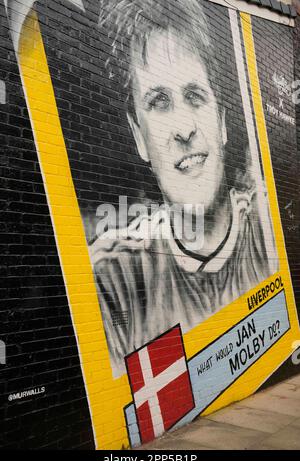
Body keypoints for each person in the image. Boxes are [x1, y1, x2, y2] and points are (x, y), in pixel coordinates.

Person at [89, 0, 278, 377]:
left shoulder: (270, 226)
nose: (184, 128)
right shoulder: (114, 279)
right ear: (139, 136)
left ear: (222, 122)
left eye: (195, 96)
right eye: (159, 103)